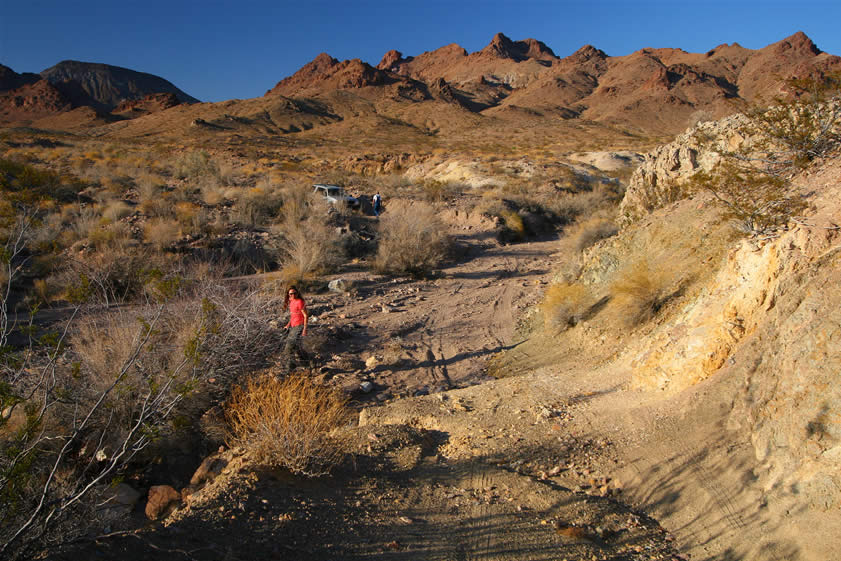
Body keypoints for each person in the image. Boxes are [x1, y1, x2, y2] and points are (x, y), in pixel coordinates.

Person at [280, 285, 308, 374]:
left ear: (297, 293)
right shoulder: (291, 301)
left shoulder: (300, 302)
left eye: (294, 293)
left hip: (299, 326)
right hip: (292, 326)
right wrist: (288, 325)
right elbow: (293, 315)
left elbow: (306, 316)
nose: (293, 295)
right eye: (291, 294)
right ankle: (308, 362)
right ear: (288, 295)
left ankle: (290, 368)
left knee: (289, 347)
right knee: (296, 347)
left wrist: (304, 329)